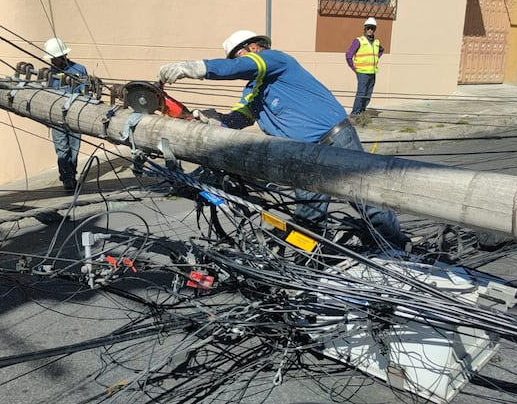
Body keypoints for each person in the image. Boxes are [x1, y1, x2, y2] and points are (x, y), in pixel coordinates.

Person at [158, 30, 407, 248]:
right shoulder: (253, 89)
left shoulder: (276, 59)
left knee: (365, 198)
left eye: (238, 57)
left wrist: (195, 68)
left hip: (335, 139)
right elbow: (239, 119)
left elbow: (235, 68)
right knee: (308, 216)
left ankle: (396, 246)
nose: (239, 64)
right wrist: (210, 120)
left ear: (253, 48)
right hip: (303, 154)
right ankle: (314, 260)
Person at [43, 37, 88, 191]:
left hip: (74, 115)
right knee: (62, 148)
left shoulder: (79, 70)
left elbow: (85, 92)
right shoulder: (48, 74)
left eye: (54, 59)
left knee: (74, 147)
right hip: (56, 117)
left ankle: (71, 174)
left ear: (62, 57)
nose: (52, 62)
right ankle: (67, 179)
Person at [346, 17, 383, 119]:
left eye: (372, 28)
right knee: (361, 93)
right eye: (369, 28)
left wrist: (375, 58)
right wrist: (354, 68)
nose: (370, 30)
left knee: (368, 94)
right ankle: (354, 115)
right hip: (362, 72)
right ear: (365, 28)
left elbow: (381, 50)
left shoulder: (376, 42)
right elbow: (349, 55)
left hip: (372, 72)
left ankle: (362, 112)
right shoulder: (359, 41)